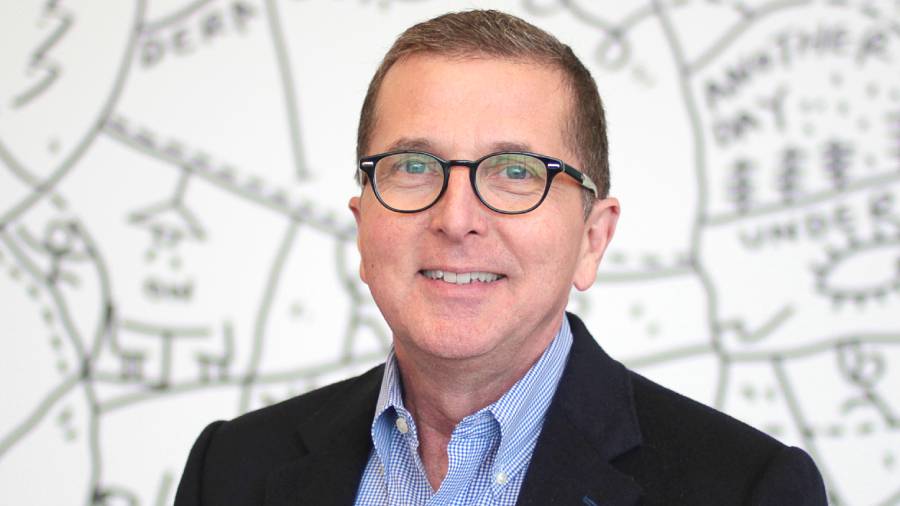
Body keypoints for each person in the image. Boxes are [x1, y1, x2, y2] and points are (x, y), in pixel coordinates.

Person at [174, 9, 827, 506]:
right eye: (413, 166)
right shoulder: (230, 471)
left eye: (516, 172)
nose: (456, 218)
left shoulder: (746, 489)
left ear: (592, 239)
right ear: (363, 226)